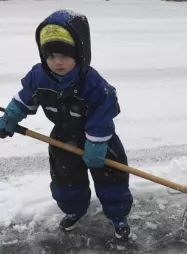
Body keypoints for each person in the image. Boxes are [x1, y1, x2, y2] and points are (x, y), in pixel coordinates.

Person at [0, 9, 133, 241]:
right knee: (66, 179)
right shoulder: (38, 76)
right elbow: (24, 99)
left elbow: (103, 115)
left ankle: (118, 215)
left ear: (80, 54)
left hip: (100, 140)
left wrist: (96, 143)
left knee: (112, 178)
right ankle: (74, 209)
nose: (57, 62)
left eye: (65, 55)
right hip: (62, 136)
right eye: (50, 56)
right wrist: (9, 120)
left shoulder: (94, 85)